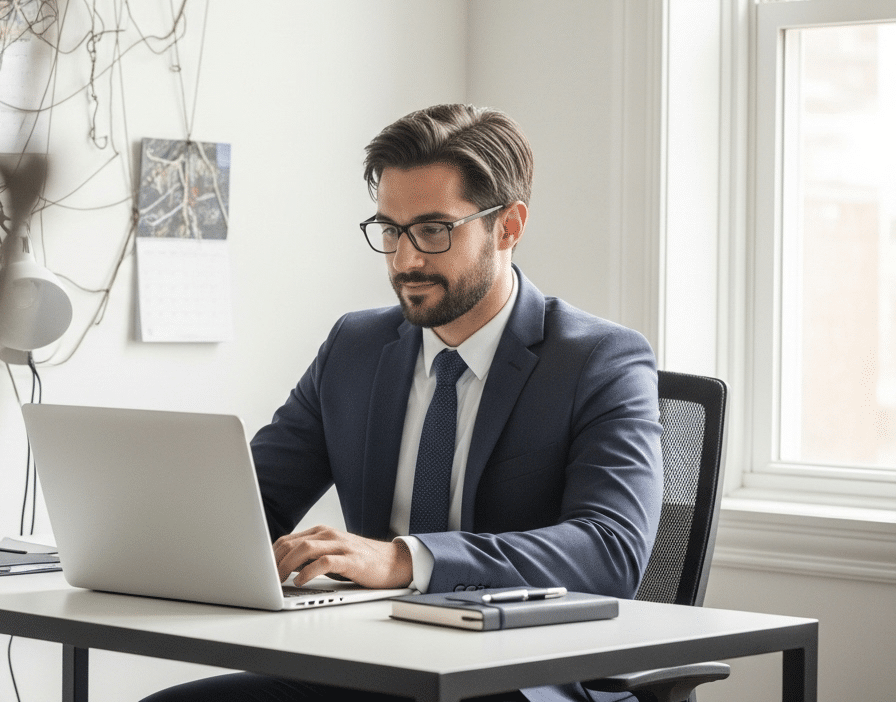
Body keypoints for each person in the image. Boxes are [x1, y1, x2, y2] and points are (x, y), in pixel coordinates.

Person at [143, 105, 663, 702]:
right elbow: (256, 500)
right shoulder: (356, 346)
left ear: (509, 226)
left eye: (433, 230)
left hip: (522, 677)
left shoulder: (599, 360)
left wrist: (406, 560)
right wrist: (152, 539)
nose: (405, 260)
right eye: (391, 230)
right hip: (374, 664)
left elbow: (609, 550)